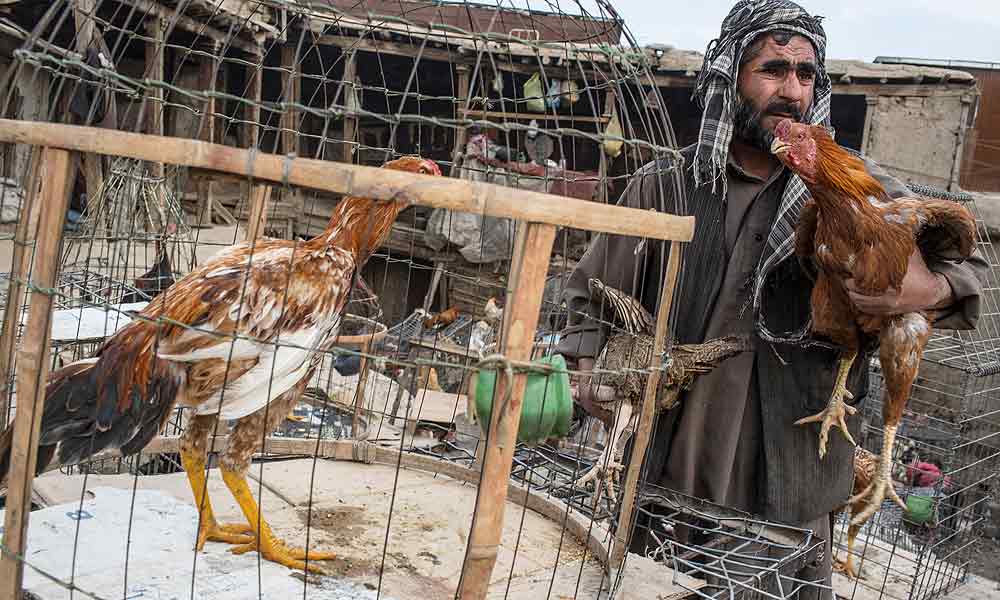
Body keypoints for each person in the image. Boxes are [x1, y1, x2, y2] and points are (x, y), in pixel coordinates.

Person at [554, 2, 987, 597]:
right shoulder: (665, 185)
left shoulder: (855, 194)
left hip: (794, 466)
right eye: (773, 70)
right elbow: (588, 296)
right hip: (670, 456)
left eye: (806, 75)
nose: (791, 90)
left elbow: (968, 273)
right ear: (732, 76)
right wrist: (586, 375)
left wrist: (925, 288)